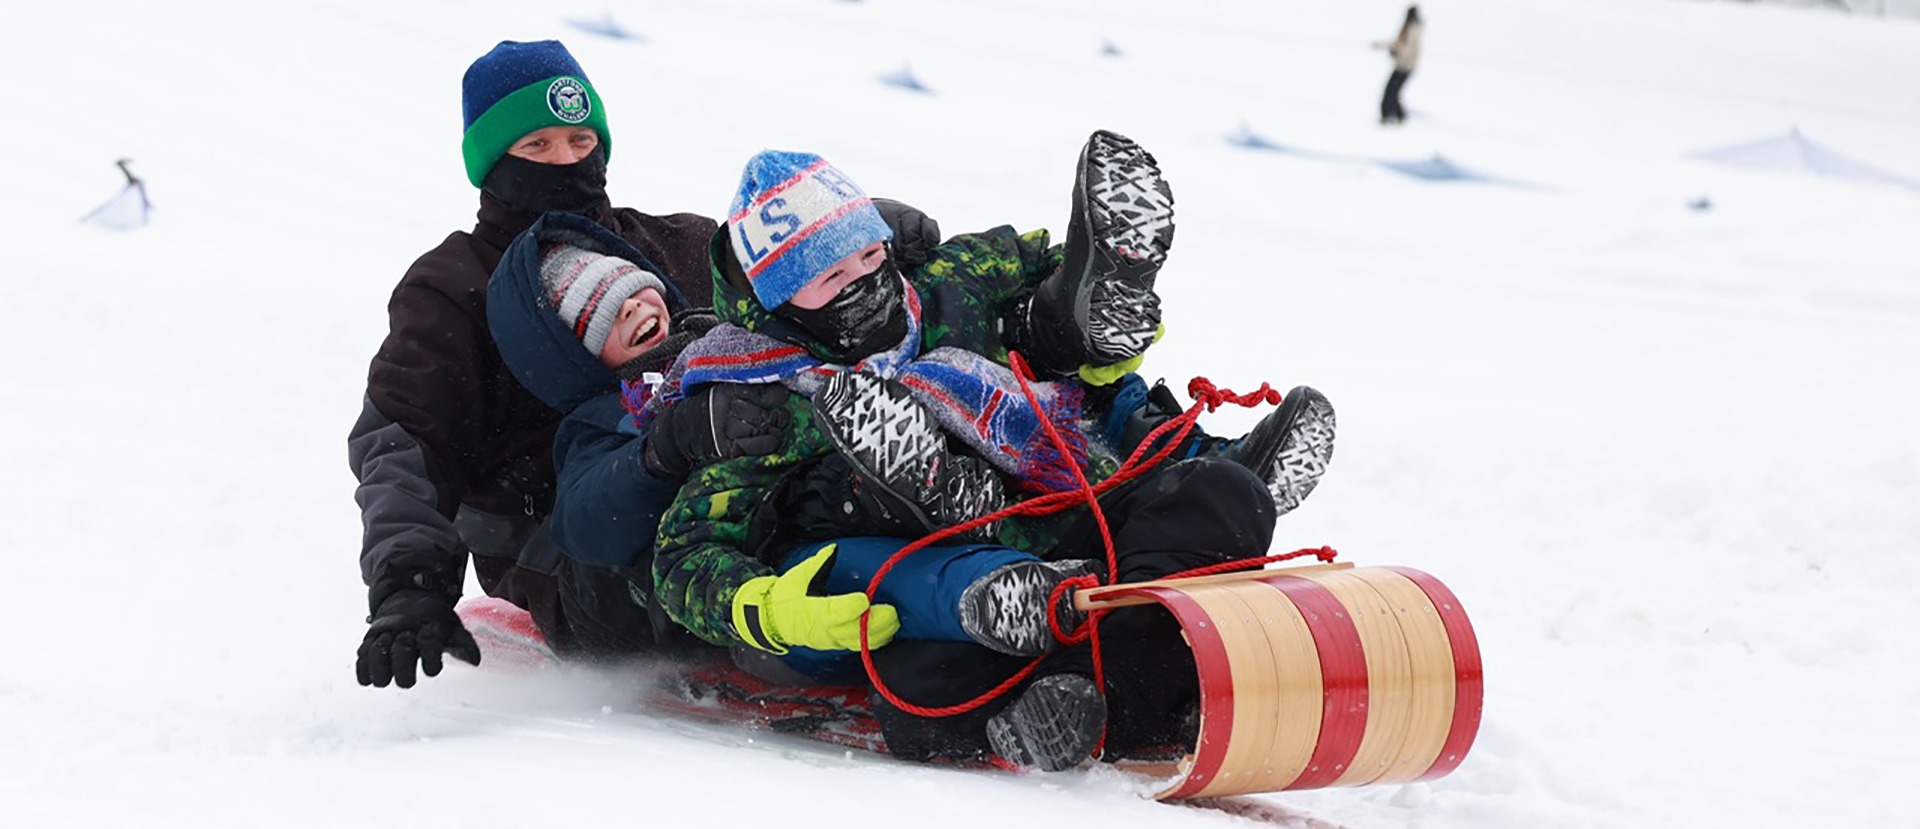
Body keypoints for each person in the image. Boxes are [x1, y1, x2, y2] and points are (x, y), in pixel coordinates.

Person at [623, 137, 1334, 770]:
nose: (865, 282)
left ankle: (1092, 687)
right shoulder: (763, 395)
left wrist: (1089, 315)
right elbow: (684, 556)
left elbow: (1030, 265)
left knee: (1220, 493)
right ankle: (1118, 686)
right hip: (959, 580)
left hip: (1063, 516)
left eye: (870, 255)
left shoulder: (946, 286)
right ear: (782, 299)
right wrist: (766, 606)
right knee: (918, 687)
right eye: (831, 278)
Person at [1375, 5, 1423, 125]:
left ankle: (1394, 116)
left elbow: (1409, 48)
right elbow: (1398, 42)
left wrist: (1397, 52)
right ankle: (1394, 115)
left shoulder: (1414, 29)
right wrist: (1381, 45)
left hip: (1405, 66)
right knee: (1392, 92)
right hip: (1402, 64)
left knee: (1392, 91)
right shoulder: (1408, 27)